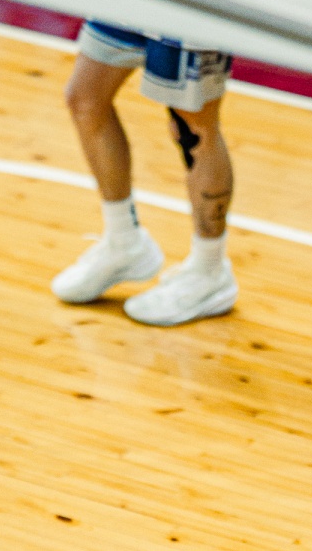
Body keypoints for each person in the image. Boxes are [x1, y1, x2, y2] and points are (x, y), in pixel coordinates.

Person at [51, 21, 237, 327]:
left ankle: (210, 271)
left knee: (194, 128)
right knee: (85, 96)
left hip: (190, 9)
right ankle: (124, 242)